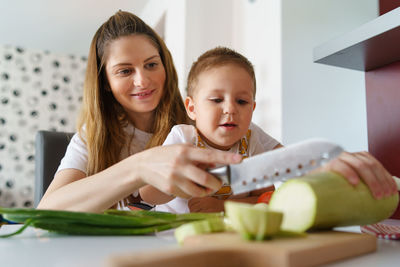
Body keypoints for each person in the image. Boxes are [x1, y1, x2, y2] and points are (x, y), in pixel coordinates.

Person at [38, 10, 397, 213]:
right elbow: (48, 212)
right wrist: (139, 168)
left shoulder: (210, 123)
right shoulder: (93, 137)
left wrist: (325, 160)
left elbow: (281, 159)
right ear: (103, 82)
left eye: (151, 64)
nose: (142, 80)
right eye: (124, 71)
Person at [140, 47, 282, 213]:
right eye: (216, 100)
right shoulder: (183, 139)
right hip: (172, 229)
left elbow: (266, 198)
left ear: (253, 108)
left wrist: (222, 207)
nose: (230, 109)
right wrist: (177, 182)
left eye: (242, 101)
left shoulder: (251, 142)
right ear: (192, 108)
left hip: (226, 233)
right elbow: (147, 195)